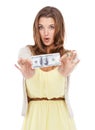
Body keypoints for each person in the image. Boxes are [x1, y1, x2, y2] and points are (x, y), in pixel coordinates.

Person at [15, 6, 80, 130]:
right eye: (41, 27)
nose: (46, 33)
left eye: (51, 27)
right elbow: (32, 83)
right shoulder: (26, 53)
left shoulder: (66, 56)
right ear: (36, 29)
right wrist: (29, 76)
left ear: (59, 28)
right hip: (34, 117)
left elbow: (58, 87)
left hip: (60, 116)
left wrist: (63, 73)